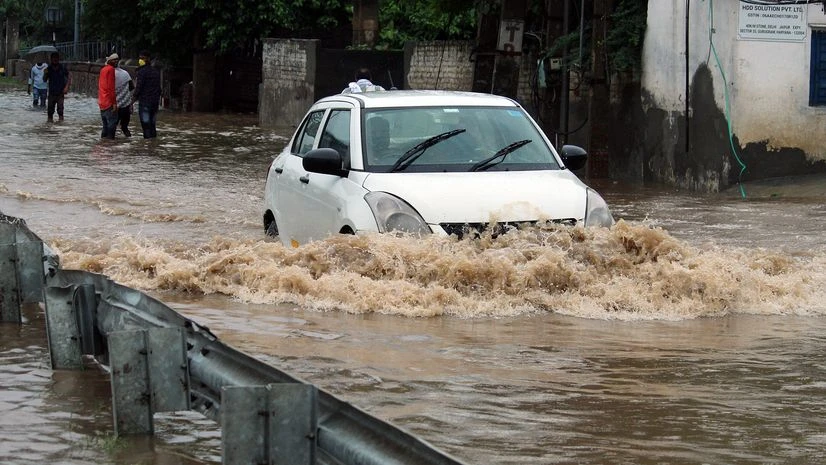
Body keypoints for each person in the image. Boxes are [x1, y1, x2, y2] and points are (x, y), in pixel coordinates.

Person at [132, 50, 161, 138]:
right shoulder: (155, 71)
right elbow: (159, 88)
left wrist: (132, 100)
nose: (141, 60)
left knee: (146, 126)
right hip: (154, 103)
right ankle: (152, 146)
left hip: (145, 102)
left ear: (148, 59)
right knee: (152, 125)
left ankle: (147, 147)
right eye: (140, 58)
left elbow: (139, 87)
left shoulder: (142, 72)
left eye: (143, 58)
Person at [43, 52, 70, 122]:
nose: (55, 59)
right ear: (51, 59)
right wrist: (45, 74)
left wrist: (66, 87)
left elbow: (69, 77)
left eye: (56, 57)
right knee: (50, 112)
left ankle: (60, 127)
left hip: (60, 93)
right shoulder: (48, 69)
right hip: (51, 93)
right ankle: (49, 127)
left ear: (58, 59)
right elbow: (44, 80)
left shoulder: (63, 68)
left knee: (60, 111)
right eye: (53, 58)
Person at [98, 53, 119, 139]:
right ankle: (110, 144)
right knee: (112, 124)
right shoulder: (111, 70)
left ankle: (104, 143)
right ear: (110, 61)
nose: (116, 61)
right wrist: (114, 103)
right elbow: (111, 87)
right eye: (115, 60)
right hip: (108, 102)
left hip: (102, 102)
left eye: (117, 59)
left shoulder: (103, 69)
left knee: (105, 126)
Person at [113, 56, 134, 137]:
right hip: (125, 105)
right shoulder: (125, 73)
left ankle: (111, 145)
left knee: (112, 127)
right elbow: (131, 87)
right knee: (125, 128)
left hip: (114, 106)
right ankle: (128, 143)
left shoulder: (108, 74)